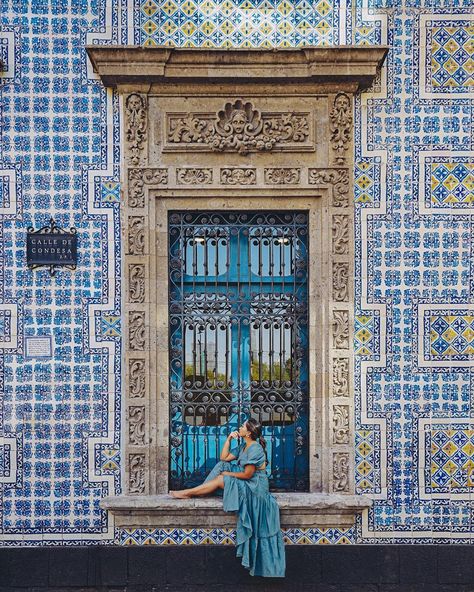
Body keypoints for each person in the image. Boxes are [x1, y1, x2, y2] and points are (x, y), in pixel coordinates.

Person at [169, 418, 286, 578]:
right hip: (248, 482)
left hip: (255, 487)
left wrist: (228, 475)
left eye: (242, 426)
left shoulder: (255, 448)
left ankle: (189, 492)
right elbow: (224, 458)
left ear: (249, 432)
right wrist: (229, 438)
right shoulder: (244, 445)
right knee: (221, 466)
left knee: (223, 477)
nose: (239, 427)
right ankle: (201, 490)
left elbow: (247, 474)